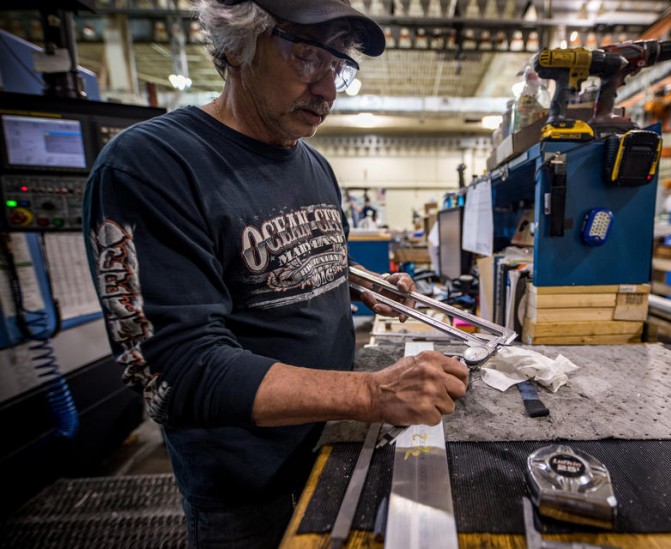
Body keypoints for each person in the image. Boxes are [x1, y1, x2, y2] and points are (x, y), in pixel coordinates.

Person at [81, 1, 469, 547]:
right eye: (308, 57)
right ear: (237, 47)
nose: (328, 90)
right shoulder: (151, 164)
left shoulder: (310, 162)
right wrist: (371, 394)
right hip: (247, 489)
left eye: (339, 67)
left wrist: (353, 278)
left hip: (330, 443)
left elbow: (277, 259)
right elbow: (177, 371)